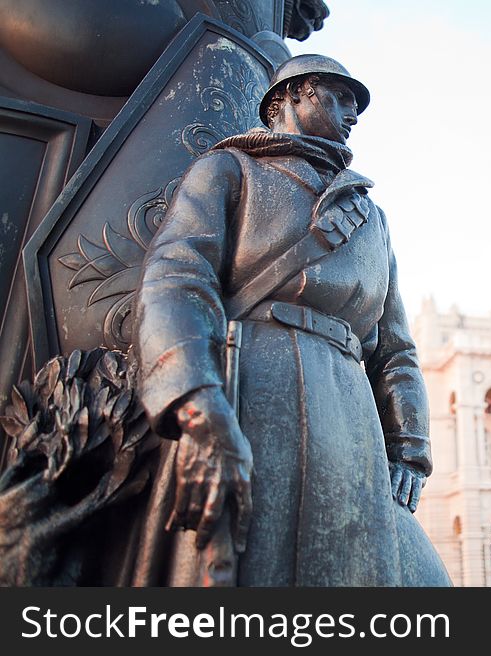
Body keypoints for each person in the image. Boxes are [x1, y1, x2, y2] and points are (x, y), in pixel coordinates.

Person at [129, 54, 450, 586]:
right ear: (293, 95)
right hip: (249, 388)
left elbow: (395, 348)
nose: (354, 114)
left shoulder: (372, 217)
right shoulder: (229, 170)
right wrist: (196, 402)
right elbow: (176, 279)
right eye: (340, 97)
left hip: (351, 422)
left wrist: (410, 449)